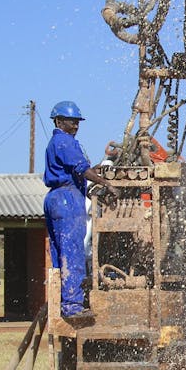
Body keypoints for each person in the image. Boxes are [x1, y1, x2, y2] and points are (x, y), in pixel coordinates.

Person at [43, 100, 115, 321]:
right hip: (68, 199)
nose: (75, 126)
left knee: (59, 252)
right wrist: (106, 183)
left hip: (57, 197)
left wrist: (97, 170)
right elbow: (81, 169)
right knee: (72, 251)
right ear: (58, 121)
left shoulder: (56, 143)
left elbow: (79, 169)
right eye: (71, 122)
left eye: (77, 122)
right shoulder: (65, 142)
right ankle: (73, 305)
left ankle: (61, 301)